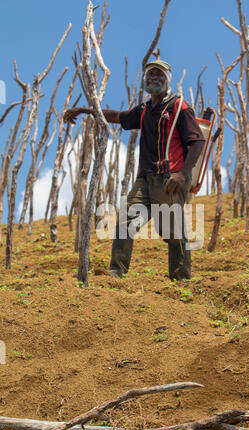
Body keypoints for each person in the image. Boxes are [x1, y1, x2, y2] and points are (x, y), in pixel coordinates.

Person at [64, 59, 205, 280]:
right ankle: (116, 272)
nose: (153, 78)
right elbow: (119, 117)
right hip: (144, 179)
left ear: (167, 80)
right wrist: (86, 110)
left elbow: (197, 142)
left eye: (158, 75)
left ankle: (181, 281)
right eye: (150, 75)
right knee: (126, 220)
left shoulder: (179, 107)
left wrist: (183, 174)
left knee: (173, 232)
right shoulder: (144, 109)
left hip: (169, 178)